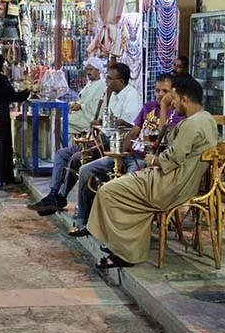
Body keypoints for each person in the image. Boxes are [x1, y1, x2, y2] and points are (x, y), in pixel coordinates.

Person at [88, 76, 217, 268]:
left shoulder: (192, 124)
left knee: (109, 191)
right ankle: (124, 248)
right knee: (119, 189)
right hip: (176, 181)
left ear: (184, 99)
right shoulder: (207, 119)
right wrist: (164, 107)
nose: (171, 103)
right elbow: (168, 140)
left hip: (169, 185)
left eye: (173, 98)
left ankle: (124, 252)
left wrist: (154, 160)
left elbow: (172, 157)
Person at [69, 73, 185, 235]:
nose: (160, 95)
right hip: (131, 154)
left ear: (174, 93)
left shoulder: (177, 115)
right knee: (85, 170)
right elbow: (134, 132)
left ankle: (119, 232)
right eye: (157, 90)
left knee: (125, 184)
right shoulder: (148, 107)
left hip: (149, 161)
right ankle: (84, 221)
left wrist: (165, 106)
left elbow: (163, 138)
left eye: (164, 91)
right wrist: (121, 153)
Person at [29, 62, 143, 215]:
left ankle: (61, 198)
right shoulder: (114, 94)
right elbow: (108, 117)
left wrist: (106, 123)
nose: (107, 81)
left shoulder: (131, 96)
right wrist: (100, 122)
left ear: (121, 81)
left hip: (115, 144)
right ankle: (53, 194)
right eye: (107, 77)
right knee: (62, 154)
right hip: (101, 137)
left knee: (77, 158)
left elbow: (129, 126)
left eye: (110, 79)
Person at [0, 54, 31, 190]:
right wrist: (27, 91)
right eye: (2, 64)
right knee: (0, 145)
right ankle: (1, 177)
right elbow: (13, 96)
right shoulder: (1, 79)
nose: (4, 66)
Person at [68, 56, 108, 134]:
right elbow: (83, 100)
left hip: (89, 118)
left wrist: (81, 106)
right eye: (87, 69)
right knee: (61, 122)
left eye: (91, 69)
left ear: (98, 71)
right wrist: (75, 104)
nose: (88, 72)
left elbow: (97, 106)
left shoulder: (102, 84)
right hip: (81, 114)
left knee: (63, 123)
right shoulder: (89, 84)